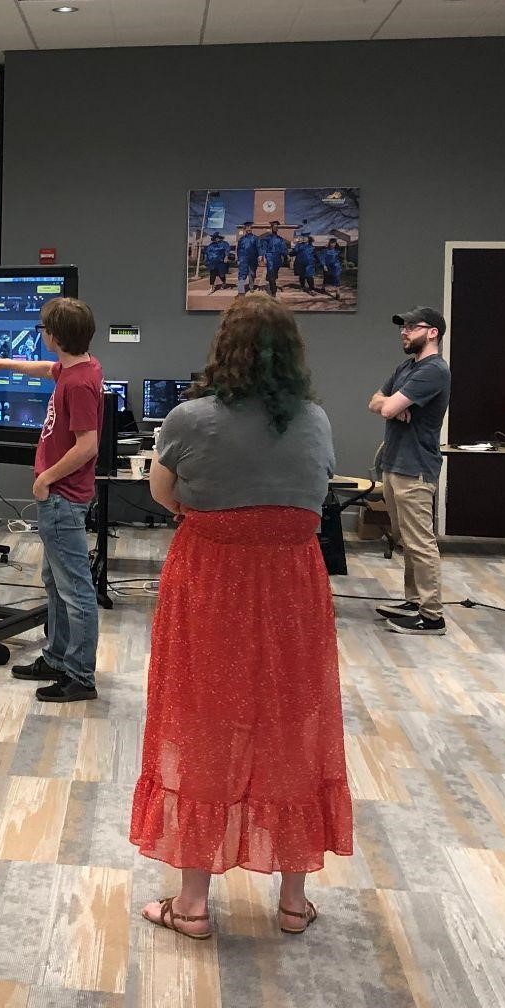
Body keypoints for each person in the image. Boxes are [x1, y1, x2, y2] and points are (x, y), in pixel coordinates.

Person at [132, 294, 351, 939]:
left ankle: (193, 906)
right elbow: (313, 496)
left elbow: (162, 494)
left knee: (198, 718)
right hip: (293, 584)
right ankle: (291, 900)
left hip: (211, 579)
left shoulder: (189, 419)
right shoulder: (315, 419)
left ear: (223, 349)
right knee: (293, 720)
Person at [0, 295, 103, 703]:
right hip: (61, 497)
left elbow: (88, 446)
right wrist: (1, 363)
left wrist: (45, 478)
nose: (40, 334)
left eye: (43, 329)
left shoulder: (79, 383)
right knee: (54, 582)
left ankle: (79, 675)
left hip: (62, 497)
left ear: (56, 336)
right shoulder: (81, 366)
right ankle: (57, 658)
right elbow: (46, 369)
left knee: (75, 590)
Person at [370, 307, 451, 637]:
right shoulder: (407, 367)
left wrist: (391, 406)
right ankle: (414, 600)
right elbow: (375, 401)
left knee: (420, 542)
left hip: (415, 468)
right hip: (394, 463)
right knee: (405, 538)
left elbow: (387, 407)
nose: (403, 332)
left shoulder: (434, 371)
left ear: (432, 332)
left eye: (411, 327)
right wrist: (390, 406)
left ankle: (432, 616)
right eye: (402, 326)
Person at [262, 224, 290, 297]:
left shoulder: (280, 239)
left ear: (277, 229)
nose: (275, 228)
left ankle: (270, 279)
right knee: (271, 273)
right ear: (271, 228)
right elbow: (264, 247)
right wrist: (264, 257)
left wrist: (286, 255)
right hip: (269, 256)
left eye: (276, 227)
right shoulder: (267, 238)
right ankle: (273, 291)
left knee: (274, 273)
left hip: (277, 257)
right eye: (273, 227)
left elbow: (283, 248)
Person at [235, 224, 260, 296]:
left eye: (250, 228)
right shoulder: (241, 239)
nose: (248, 229)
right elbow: (238, 249)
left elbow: (259, 247)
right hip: (243, 258)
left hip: (253, 258)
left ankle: (251, 286)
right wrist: (238, 258)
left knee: (252, 273)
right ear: (245, 229)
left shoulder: (255, 238)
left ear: (251, 229)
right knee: (242, 273)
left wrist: (260, 255)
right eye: (247, 228)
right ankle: (241, 291)